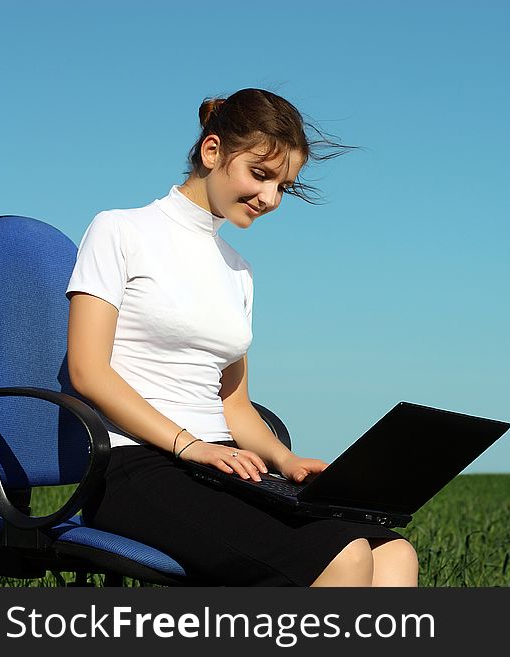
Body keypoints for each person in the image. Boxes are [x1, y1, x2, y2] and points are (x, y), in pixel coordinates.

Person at [65, 88, 419, 587]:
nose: (271, 198)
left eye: (284, 187)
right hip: (134, 467)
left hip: (222, 465)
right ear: (212, 152)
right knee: (343, 558)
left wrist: (288, 462)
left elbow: (236, 407)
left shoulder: (239, 271)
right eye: (260, 174)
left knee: (394, 553)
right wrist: (190, 447)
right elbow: (88, 371)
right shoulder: (119, 232)